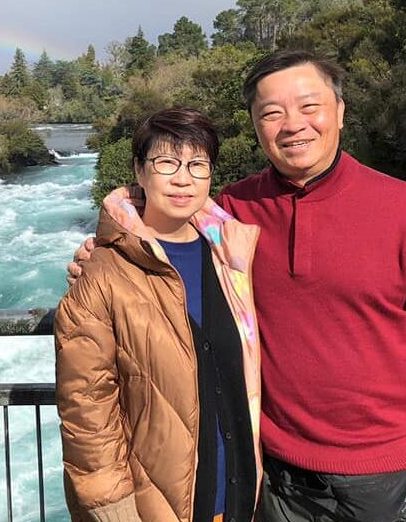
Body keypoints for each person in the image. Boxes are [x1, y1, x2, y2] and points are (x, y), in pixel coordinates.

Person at [68, 50, 406, 522]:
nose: (292, 125)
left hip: (385, 471)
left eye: (309, 107)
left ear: (340, 112)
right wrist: (101, 253)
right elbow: (154, 223)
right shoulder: (232, 212)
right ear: (255, 125)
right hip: (274, 471)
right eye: (272, 113)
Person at [55, 107, 262, 522]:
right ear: (139, 170)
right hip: (156, 508)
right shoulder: (103, 273)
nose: (182, 178)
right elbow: (86, 409)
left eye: (197, 164)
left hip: (241, 495)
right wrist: (114, 512)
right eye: (166, 162)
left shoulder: (231, 258)